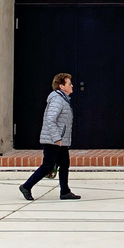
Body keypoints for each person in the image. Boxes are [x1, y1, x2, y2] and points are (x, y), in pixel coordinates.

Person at [19, 72, 81, 201]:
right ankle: (26, 186)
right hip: (54, 141)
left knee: (64, 164)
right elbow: (50, 119)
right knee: (47, 166)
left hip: (60, 141)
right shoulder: (57, 100)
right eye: (69, 84)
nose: (72, 85)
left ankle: (65, 191)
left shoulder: (62, 99)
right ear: (61, 86)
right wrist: (57, 138)